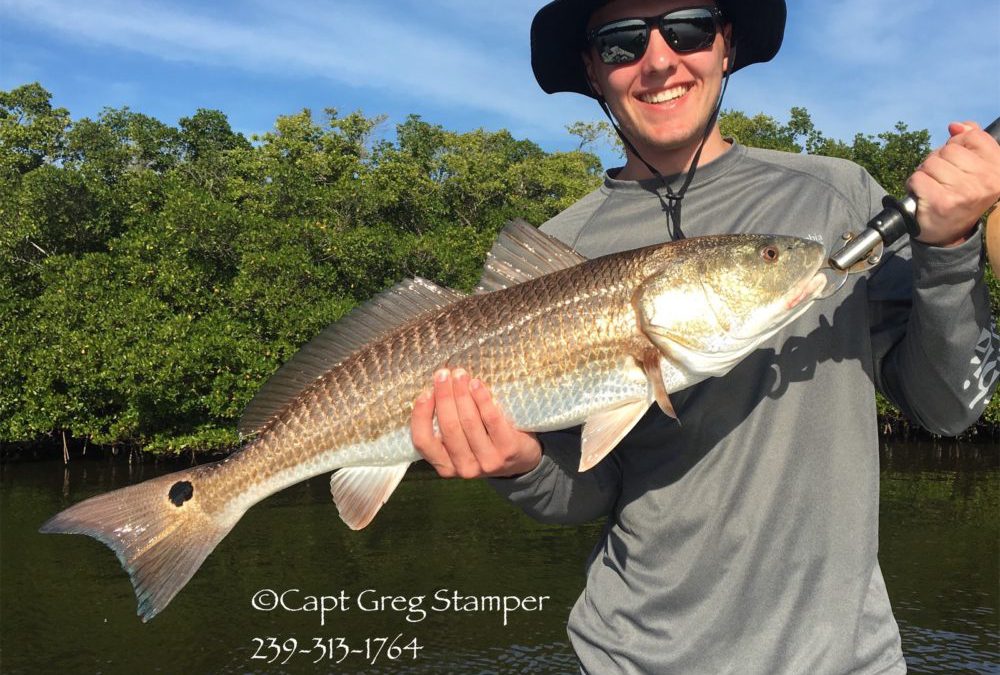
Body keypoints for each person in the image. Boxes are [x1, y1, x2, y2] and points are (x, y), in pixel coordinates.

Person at [410, 0, 1000, 672]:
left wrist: (948, 248)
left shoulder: (835, 196)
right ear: (592, 69)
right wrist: (518, 465)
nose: (660, 60)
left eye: (687, 28)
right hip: (631, 656)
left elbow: (950, 408)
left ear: (725, 45)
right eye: (621, 42)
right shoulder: (560, 249)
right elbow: (589, 490)